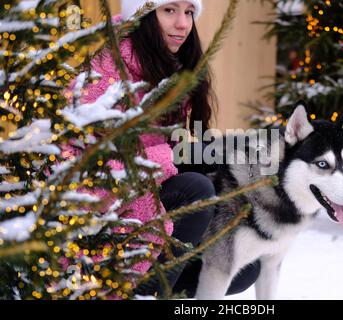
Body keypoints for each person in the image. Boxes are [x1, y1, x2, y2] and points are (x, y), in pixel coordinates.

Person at [76, 0, 261, 298]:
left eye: (189, 12)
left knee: (241, 268)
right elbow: (91, 170)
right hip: (103, 230)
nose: (183, 24)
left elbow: (163, 153)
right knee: (195, 187)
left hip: (148, 199)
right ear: (144, 14)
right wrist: (170, 158)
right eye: (169, 10)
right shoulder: (107, 75)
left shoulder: (166, 70)